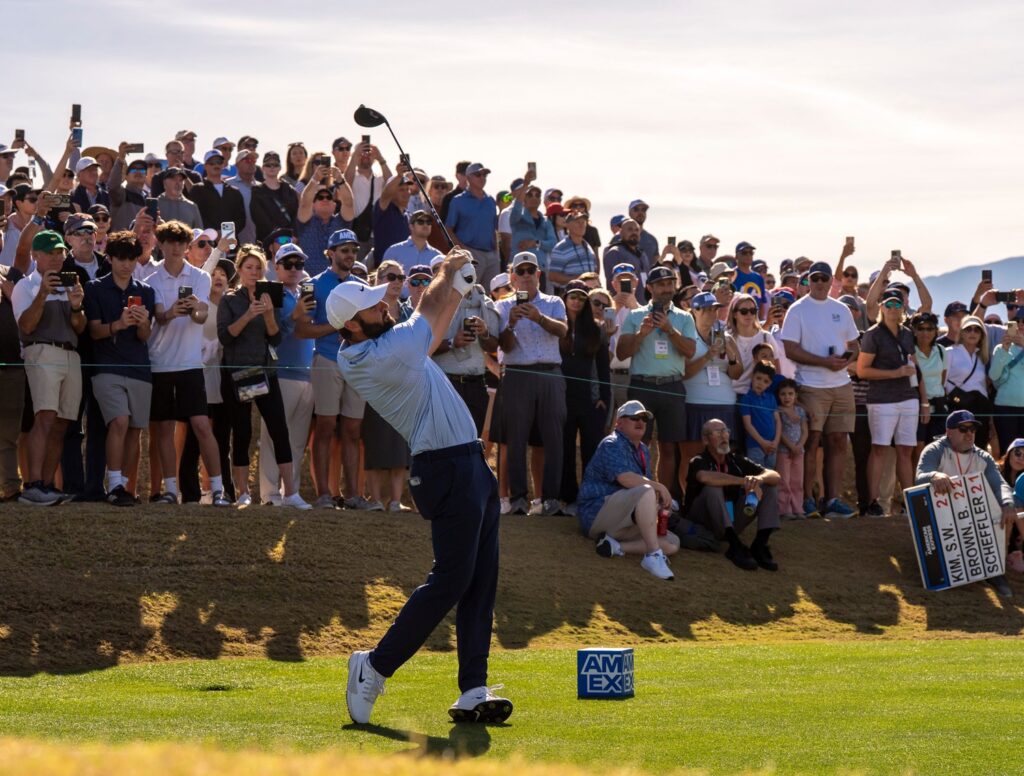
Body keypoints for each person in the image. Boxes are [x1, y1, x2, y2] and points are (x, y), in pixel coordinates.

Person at [336, 247, 512, 726]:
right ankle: (374, 666)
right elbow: (426, 311)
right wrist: (446, 272)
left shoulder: (389, 342)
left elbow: (434, 322)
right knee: (452, 580)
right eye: (373, 306)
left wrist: (457, 286)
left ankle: (473, 688)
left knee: (480, 581)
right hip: (444, 468)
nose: (384, 304)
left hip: (471, 463)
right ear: (351, 325)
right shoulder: (371, 355)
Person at [217, 245, 310, 509]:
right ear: (239, 270)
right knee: (243, 431)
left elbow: (276, 336)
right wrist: (248, 314)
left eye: (258, 268)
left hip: (265, 371)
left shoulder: (271, 295)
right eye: (249, 267)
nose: (254, 272)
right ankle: (242, 491)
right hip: (238, 372)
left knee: (279, 429)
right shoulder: (229, 300)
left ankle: (290, 493)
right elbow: (226, 336)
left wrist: (269, 314)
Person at [147, 220, 230, 506]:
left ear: (186, 246)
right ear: (161, 244)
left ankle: (218, 490)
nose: (175, 248)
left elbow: (201, 316)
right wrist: (172, 312)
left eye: (181, 243)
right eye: (170, 242)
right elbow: (158, 316)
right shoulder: (151, 280)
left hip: (191, 364)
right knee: (164, 430)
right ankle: (171, 490)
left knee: (201, 425)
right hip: (160, 363)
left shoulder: (199, 277)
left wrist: (195, 309)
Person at [293, 228, 367, 509]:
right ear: (331, 253)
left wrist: (357, 332)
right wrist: (337, 328)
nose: (350, 255)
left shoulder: (363, 285)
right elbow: (302, 330)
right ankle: (324, 493)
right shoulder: (313, 285)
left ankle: (354, 496)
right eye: (344, 250)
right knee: (324, 427)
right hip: (325, 360)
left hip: (356, 362)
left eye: (353, 251)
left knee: (352, 430)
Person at [780, 261, 859, 519]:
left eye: (824, 278)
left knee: (838, 442)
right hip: (811, 385)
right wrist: (825, 362)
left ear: (829, 281)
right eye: (814, 278)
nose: (820, 282)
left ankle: (833, 499)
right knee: (811, 442)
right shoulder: (797, 309)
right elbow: (790, 349)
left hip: (842, 384)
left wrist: (844, 361)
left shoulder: (841, 309)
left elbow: (855, 345)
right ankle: (807, 499)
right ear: (807, 281)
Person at [82, 231, 155, 506]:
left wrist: (142, 322)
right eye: (121, 258)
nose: (127, 264)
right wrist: (119, 324)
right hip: (106, 367)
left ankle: (125, 486)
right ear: (110, 258)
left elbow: (145, 336)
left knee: (135, 428)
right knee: (119, 422)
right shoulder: (95, 288)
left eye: (132, 258)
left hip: (139, 366)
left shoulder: (145, 291)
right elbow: (93, 331)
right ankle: (113, 485)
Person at [13, 231, 84, 505]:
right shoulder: (26, 286)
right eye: (50, 252)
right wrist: (42, 293)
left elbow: (80, 327)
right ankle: (32, 485)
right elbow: (26, 327)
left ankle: (46, 484)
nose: (57, 258)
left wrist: (77, 307)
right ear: (35, 256)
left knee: (62, 422)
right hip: (41, 350)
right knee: (45, 417)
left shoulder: (70, 285)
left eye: (60, 253)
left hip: (70, 353)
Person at [495, 251, 569, 515]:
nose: (526, 276)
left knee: (554, 438)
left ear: (538, 274)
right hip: (517, 374)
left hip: (550, 373)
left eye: (530, 271)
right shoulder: (502, 306)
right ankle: (518, 499)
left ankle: (550, 498)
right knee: (515, 438)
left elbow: (562, 331)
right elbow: (502, 345)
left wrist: (538, 318)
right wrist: (512, 323)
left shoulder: (553, 302)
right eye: (521, 272)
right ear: (513, 277)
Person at [616, 266, 696, 505]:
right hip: (642, 386)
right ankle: (641, 495)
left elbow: (690, 351)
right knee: (639, 445)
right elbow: (621, 353)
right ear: (649, 288)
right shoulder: (634, 315)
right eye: (661, 284)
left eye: (670, 284)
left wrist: (669, 330)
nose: (667, 289)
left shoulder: (684, 317)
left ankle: (663, 497)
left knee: (669, 446)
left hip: (672, 387)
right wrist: (641, 334)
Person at [916, 410, 1016, 598]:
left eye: (973, 429)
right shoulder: (934, 450)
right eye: (963, 429)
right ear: (949, 432)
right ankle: (937, 570)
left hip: (972, 514)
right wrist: (934, 476)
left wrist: (1007, 503)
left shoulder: (983, 457)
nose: (970, 434)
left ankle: (995, 571)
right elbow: (919, 477)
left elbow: (999, 485)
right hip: (940, 517)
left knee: (1001, 513)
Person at [577, 400, 679, 580]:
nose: (640, 422)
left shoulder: (644, 451)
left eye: (644, 418)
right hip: (597, 513)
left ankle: (615, 547)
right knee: (647, 490)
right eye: (633, 417)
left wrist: (661, 505)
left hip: (621, 521)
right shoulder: (612, 443)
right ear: (619, 423)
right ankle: (653, 555)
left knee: (672, 543)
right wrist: (659, 487)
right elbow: (625, 478)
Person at [854, 289, 924, 516]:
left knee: (906, 450)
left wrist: (924, 401)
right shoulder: (873, 334)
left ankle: (909, 503)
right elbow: (862, 371)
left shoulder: (907, 333)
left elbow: (915, 368)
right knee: (880, 449)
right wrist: (895, 373)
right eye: (889, 304)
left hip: (909, 398)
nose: (894, 309)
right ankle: (871, 503)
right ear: (881, 307)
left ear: (904, 307)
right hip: (882, 400)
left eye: (898, 304)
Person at [683, 418, 783, 571]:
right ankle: (734, 546)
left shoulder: (736, 460)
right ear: (705, 440)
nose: (724, 436)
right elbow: (705, 477)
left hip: (730, 518)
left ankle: (760, 545)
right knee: (712, 488)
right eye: (717, 432)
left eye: (725, 431)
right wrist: (744, 481)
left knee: (769, 487)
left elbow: (775, 475)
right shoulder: (698, 460)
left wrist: (757, 479)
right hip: (703, 522)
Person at [359, 259, 413, 512]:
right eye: (391, 277)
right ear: (377, 279)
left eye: (401, 278)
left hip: (402, 383)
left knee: (399, 443)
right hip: (373, 381)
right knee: (375, 440)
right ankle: (375, 499)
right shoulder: (366, 309)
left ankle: (395, 500)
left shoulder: (408, 312)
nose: (396, 282)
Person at [559, 280, 611, 510]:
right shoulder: (556, 325)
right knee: (566, 450)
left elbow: (602, 369)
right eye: (573, 296)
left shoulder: (596, 329)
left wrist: (604, 399)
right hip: (562, 397)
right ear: (565, 298)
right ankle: (568, 498)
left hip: (590, 400)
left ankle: (591, 497)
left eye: (582, 298)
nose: (577, 301)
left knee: (591, 451)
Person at [681, 291, 742, 481]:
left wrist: (731, 356)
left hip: (725, 405)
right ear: (694, 311)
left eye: (714, 309)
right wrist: (708, 355)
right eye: (705, 310)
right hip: (695, 404)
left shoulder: (727, 338)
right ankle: (688, 502)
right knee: (691, 457)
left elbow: (737, 374)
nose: (710, 313)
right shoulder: (687, 337)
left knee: (724, 457)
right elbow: (683, 373)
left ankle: (724, 502)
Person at [296, 158, 355, 276]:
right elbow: (304, 202)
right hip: (309, 281)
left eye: (329, 197)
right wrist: (315, 179)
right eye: (320, 197)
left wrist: (340, 179)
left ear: (334, 205)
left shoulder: (342, 222)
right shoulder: (306, 221)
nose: (325, 200)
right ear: (313, 204)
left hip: (338, 281)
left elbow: (349, 202)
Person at [445, 163, 499, 287]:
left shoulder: (490, 200)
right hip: (471, 253)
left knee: (492, 293)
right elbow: (448, 229)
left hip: (491, 255)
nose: (482, 178)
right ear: (468, 178)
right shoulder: (458, 201)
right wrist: (464, 250)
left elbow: (494, 229)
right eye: (478, 174)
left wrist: (496, 253)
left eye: (484, 175)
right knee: (467, 291)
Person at [944, 316, 991, 451]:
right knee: (958, 447)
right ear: (962, 333)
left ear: (982, 335)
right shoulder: (950, 352)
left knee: (980, 448)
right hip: (959, 405)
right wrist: (955, 397)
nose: (972, 333)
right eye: (968, 329)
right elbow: (943, 380)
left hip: (981, 407)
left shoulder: (982, 356)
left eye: (977, 330)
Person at [911, 311, 947, 460]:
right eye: (921, 328)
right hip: (918, 407)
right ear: (914, 330)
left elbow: (942, 378)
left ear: (935, 331)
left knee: (937, 449)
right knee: (918, 449)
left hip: (938, 406)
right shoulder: (910, 351)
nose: (925, 332)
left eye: (930, 328)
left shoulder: (940, 350)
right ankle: (919, 482)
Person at [188, 150, 247, 235]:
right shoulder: (197, 190)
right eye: (211, 163)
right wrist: (214, 233)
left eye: (219, 162)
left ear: (223, 165)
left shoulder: (234, 192)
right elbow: (196, 216)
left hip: (230, 242)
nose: (216, 165)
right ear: (205, 166)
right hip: (206, 241)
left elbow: (241, 219)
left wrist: (226, 233)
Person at [776, 378, 809, 519]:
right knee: (784, 480)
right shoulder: (778, 411)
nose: (787, 397)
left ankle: (797, 508)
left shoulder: (800, 411)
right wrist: (790, 446)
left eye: (790, 394)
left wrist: (799, 446)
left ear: (796, 395)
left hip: (799, 452)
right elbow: (780, 432)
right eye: (783, 394)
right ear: (778, 396)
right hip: (784, 451)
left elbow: (805, 431)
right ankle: (784, 509)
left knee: (797, 480)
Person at [989, 320, 1024, 453]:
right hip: (1004, 407)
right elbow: (993, 375)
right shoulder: (1000, 348)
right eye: (1016, 322)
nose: (1021, 325)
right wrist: (1004, 349)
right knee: (1008, 450)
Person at [250, 151, 299, 245]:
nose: (272, 167)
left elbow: (296, 214)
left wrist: (294, 235)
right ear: (263, 168)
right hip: (268, 242)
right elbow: (260, 219)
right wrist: (278, 238)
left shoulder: (289, 189)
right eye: (268, 165)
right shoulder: (256, 191)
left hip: (290, 240)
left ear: (280, 167)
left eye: (275, 164)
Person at [740, 361, 781, 469]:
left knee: (770, 477)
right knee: (756, 477)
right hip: (755, 445)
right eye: (758, 378)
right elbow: (747, 425)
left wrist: (776, 442)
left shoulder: (771, 398)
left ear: (770, 384)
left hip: (772, 446)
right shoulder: (746, 398)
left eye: (765, 381)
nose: (761, 383)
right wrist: (762, 442)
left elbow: (777, 421)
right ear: (752, 376)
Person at [548, 209, 597, 291]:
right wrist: (579, 279)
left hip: (590, 294)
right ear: (568, 225)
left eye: (583, 222)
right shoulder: (560, 248)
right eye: (578, 222)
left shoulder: (588, 246)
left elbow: (594, 270)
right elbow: (552, 276)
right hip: (572, 296)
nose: (581, 225)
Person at [382, 209, 443, 274]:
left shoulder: (437, 256)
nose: (425, 225)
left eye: (428, 222)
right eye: (420, 222)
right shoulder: (393, 251)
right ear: (411, 226)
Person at [998, 438, 1024, 574]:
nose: (1021, 459)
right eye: (1018, 453)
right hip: (998, 521)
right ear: (1009, 453)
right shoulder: (995, 472)